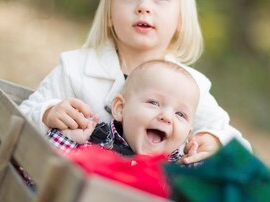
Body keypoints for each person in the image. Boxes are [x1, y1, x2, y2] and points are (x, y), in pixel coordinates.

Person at [19, 0, 249, 164]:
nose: (144, 6)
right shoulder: (76, 68)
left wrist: (214, 139)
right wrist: (47, 113)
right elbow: (21, 114)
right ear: (109, 14)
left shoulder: (191, 86)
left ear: (180, 19)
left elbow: (238, 144)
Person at [48, 59, 200, 163]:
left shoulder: (178, 173)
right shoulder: (94, 142)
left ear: (187, 133)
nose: (167, 117)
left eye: (180, 114)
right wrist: (67, 139)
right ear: (120, 108)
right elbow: (40, 176)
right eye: (154, 103)